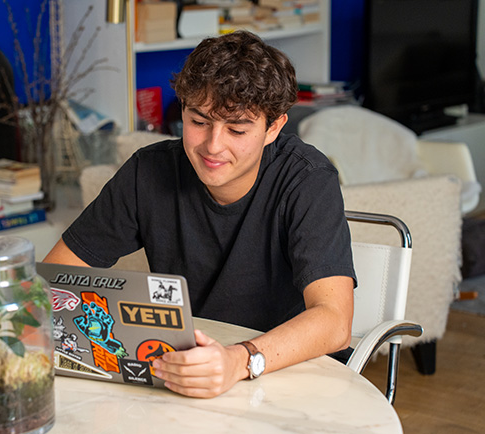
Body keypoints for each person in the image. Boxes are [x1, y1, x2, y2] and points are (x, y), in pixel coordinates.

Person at [44, 30, 356, 398]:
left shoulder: (307, 180)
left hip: (287, 369)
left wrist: (240, 361)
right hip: (187, 365)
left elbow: (335, 322)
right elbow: (55, 280)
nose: (213, 146)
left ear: (273, 128)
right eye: (199, 121)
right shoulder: (149, 171)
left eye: (237, 129)